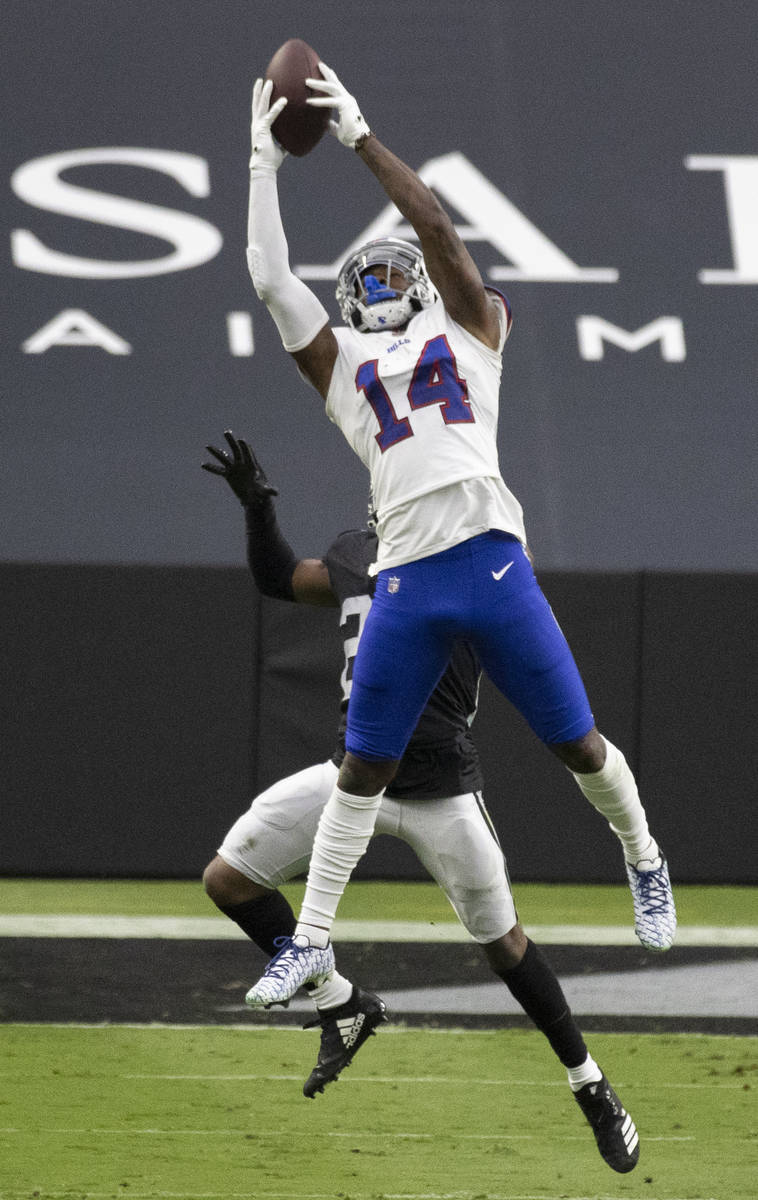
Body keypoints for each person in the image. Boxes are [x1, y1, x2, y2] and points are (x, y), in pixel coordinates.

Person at [243, 65, 676, 1003]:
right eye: (377, 276)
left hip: (488, 564)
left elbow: (435, 228)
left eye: (405, 272)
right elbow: (273, 279)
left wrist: (359, 137)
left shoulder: (475, 331)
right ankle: (312, 940)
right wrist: (262, 166)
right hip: (405, 574)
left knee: (576, 742)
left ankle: (642, 856)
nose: (396, 280)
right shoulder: (347, 374)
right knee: (363, 764)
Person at [201, 430, 639, 1171]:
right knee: (229, 879)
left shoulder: (471, 557)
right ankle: (340, 1002)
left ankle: (590, 1083)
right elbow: (281, 578)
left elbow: (514, 601)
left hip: (440, 788)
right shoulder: (351, 554)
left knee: (505, 944)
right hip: (353, 779)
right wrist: (257, 507)